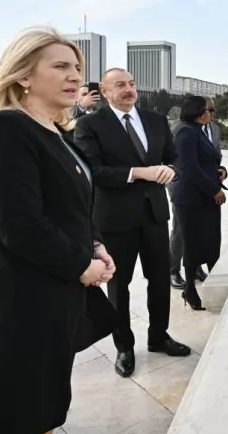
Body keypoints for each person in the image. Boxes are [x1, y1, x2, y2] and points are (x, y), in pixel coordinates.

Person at [0, 26, 118, 434]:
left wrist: (94, 245)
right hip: (20, 310)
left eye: (77, 68)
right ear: (24, 75)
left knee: (38, 427)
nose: (75, 77)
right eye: (61, 66)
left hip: (51, 305)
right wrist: (81, 266)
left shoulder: (55, 133)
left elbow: (71, 206)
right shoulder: (6, 130)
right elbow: (21, 226)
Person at [73, 69, 191, 379]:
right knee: (119, 286)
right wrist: (141, 173)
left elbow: (174, 158)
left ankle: (159, 336)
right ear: (105, 90)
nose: (129, 90)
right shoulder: (89, 125)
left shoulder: (155, 120)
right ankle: (124, 346)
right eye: (120, 85)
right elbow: (93, 171)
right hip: (114, 220)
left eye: (132, 84)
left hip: (153, 215)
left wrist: (170, 171)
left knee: (160, 280)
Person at [171, 96, 228, 310]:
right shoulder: (186, 131)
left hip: (205, 198)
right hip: (192, 199)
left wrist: (221, 172)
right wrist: (214, 189)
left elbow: (209, 160)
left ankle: (214, 285)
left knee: (211, 242)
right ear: (198, 111)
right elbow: (190, 167)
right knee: (192, 244)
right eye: (208, 110)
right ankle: (190, 290)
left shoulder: (199, 130)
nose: (211, 114)